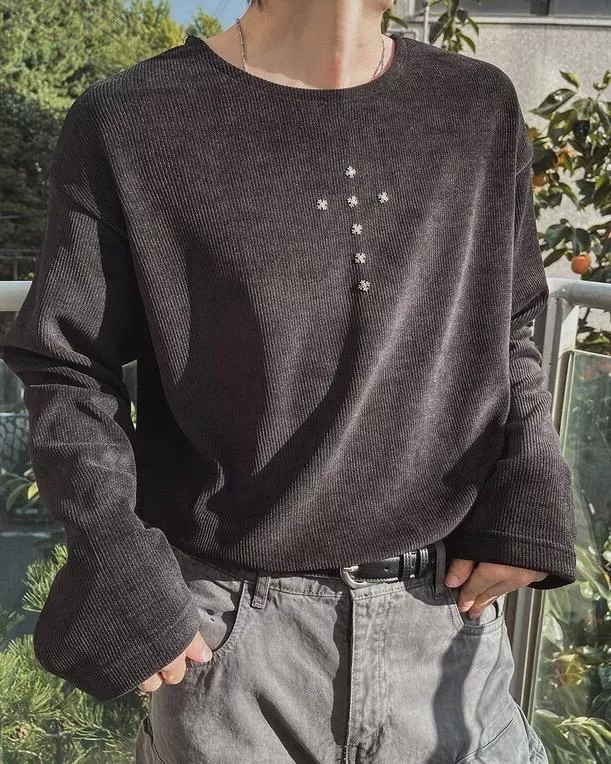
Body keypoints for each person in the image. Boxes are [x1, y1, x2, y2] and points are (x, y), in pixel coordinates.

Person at [0, 0, 577, 761]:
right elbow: (67, 363)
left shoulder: (476, 105)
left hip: (449, 626)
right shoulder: (132, 119)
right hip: (231, 648)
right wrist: (117, 559)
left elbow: (507, 320)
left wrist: (531, 484)